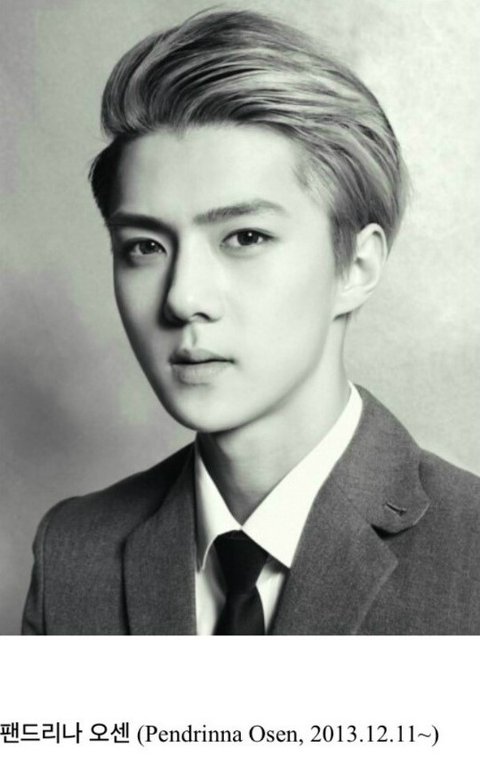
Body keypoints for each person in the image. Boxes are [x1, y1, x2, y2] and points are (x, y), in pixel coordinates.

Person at [22, 9, 480, 635]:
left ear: (357, 265)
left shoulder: (469, 550)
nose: (183, 298)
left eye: (245, 237)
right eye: (144, 246)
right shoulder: (74, 552)